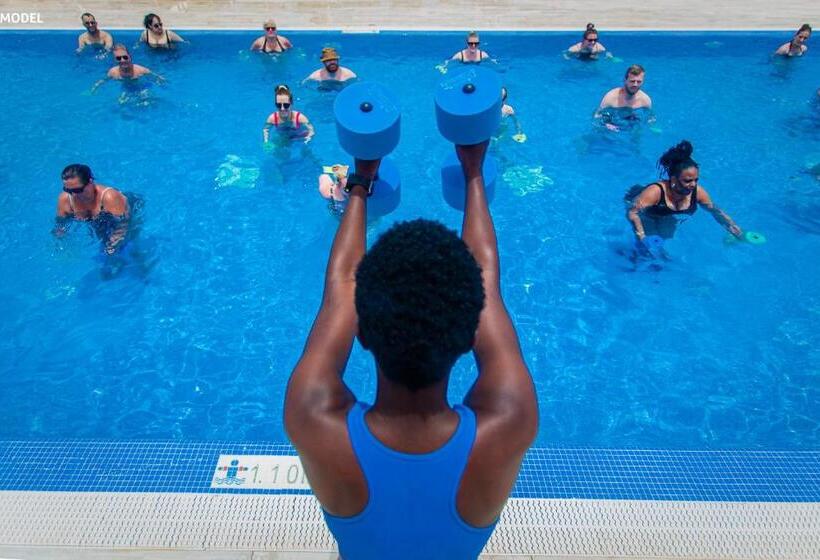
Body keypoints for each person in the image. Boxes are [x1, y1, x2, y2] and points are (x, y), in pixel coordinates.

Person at [284, 140, 538, 560]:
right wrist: (473, 173)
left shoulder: (312, 418)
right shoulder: (511, 421)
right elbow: (486, 283)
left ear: (361, 333)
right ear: (469, 337)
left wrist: (361, 181)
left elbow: (342, 287)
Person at [626, 140, 743, 244]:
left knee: (666, 236)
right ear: (673, 179)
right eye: (688, 181)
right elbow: (633, 212)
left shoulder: (698, 192)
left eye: (696, 180)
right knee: (647, 244)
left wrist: (731, 225)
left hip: (665, 213)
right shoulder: (655, 192)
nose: (693, 185)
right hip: (645, 211)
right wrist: (642, 236)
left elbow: (714, 210)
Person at [54, 164, 130, 255]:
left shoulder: (109, 197)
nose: (73, 195)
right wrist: (60, 241)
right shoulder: (65, 200)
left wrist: (113, 245)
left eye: (78, 190)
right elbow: (60, 224)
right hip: (99, 220)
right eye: (68, 190)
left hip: (126, 211)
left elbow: (124, 224)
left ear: (90, 182)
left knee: (127, 248)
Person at [594, 64, 652, 131]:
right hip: (613, 124)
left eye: (639, 82)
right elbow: (597, 116)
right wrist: (606, 125)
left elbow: (650, 117)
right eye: (632, 81)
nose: (635, 84)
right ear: (625, 80)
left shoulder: (645, 100)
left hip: (633, 124)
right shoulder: (611, 98)